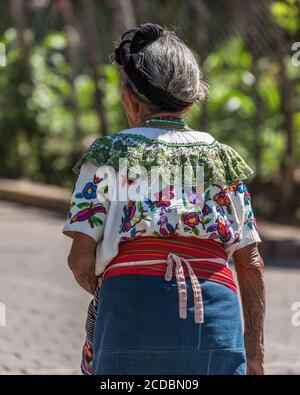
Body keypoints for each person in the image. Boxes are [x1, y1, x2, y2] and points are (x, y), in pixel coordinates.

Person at [62, 23, 265, 375]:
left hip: (131, 311)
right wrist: (256, 356)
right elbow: (251, 264)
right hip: (215, 321)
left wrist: (113, 292)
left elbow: (80, 258)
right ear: (190, 97)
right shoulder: (221, 159)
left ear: (129, 96)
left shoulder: (111, 154)